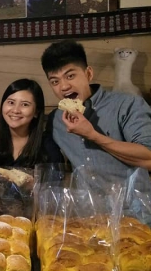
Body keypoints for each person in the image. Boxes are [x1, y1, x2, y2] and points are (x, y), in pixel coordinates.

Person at [41, 40, 151, 183]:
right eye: (55, 81)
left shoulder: (127, 104)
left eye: (70, 76)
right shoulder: (56, 119)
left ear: (88, 74)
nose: (64, 87)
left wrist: (93, 135)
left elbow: (148, 158)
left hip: (131, 197)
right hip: (84, 198)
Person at [0, 78, 63, 167]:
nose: (16, 110)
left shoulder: (48, 146)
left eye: (25, 104)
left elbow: (56, 175)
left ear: (36, 112)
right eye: (11, 102)